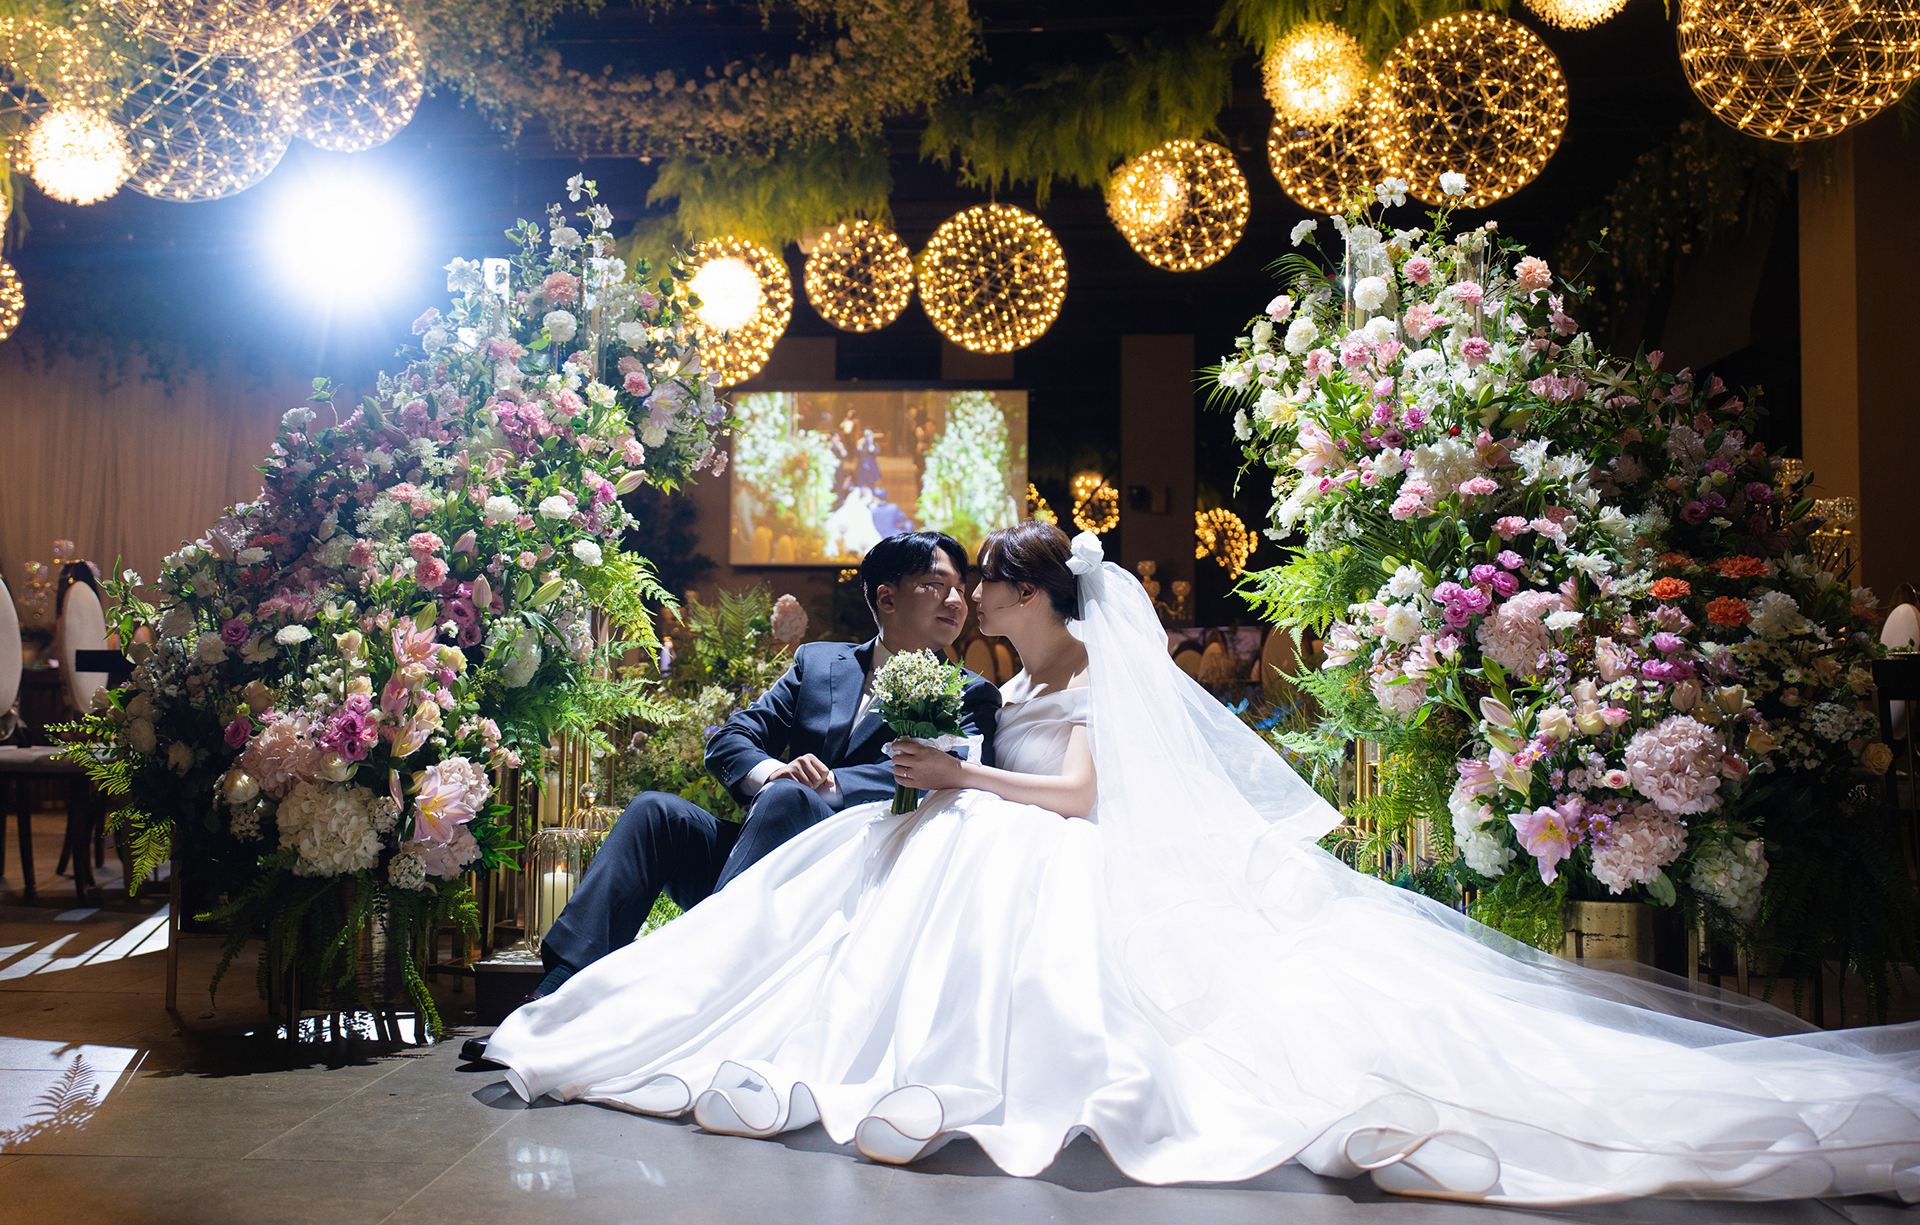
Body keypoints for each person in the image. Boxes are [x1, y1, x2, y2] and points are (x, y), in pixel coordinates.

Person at [485, 524, 1920, 1205]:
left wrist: (959, 777)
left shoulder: (1072, 677)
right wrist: (904, 775)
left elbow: (1083, 797)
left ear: (1037, 596)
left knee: (981, 899)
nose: (966, 597)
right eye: (954, 584)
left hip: (1026, 832)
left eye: (985, 583)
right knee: (852, 866)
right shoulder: (983, 676)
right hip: (921, 823)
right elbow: (842, 746)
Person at [460, 532, 1000, 1063]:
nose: (957, 601)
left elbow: (952, 776)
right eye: (937, 585)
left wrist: (828, 785)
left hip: (854, 880)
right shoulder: (819, 664)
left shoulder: (968, 694)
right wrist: (773, 771)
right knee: (655, 812)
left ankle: (683, 985)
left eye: (961, 587)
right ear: (887, 597)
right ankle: (551, 999)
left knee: (790, 799)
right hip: (758, 862)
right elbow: (730, 739)